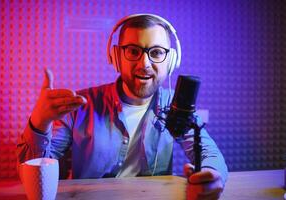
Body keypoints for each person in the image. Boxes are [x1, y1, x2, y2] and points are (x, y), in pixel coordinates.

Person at [16, 14, 228, 199]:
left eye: (155, 53)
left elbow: (209, 153)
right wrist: (40, 123)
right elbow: (34, 174)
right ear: (116, 57)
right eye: (134, 51)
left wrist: (211, 175)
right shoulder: (80, 104)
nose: (144, 63)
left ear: (170, 60)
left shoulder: (175, 105)